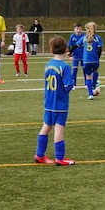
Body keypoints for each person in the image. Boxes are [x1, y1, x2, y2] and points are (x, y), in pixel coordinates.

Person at [33, 36, 76, 166]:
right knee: (59, 130)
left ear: (51, 50)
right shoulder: (65, 67)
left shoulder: (48, 65)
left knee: (46, 127)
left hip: (48, 103)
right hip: (60, 104)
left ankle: (39, 155)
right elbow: (68, 86)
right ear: (66, 50)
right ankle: (59, 158)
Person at [76, 22, 103, 100]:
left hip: (86, 61)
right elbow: (99, 50)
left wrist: (69, 52)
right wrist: (98, 57)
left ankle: (90, 94)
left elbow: (75, 46)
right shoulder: (98, 38)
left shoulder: (84, 38)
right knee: (95, 72)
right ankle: (94, 85)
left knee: (88, 76)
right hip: (95, 60)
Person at [67, 23, 85, 87]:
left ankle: (86, 84)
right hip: (75, 56)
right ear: (74, 29)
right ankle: (73, 84)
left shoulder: (84, 36)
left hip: (83, 56)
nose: (78, 30)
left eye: (80, 29)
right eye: (77, 29)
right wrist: (70, 56)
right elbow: (70, 47)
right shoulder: (72, 37)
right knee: (75, 70)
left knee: (85, 69)